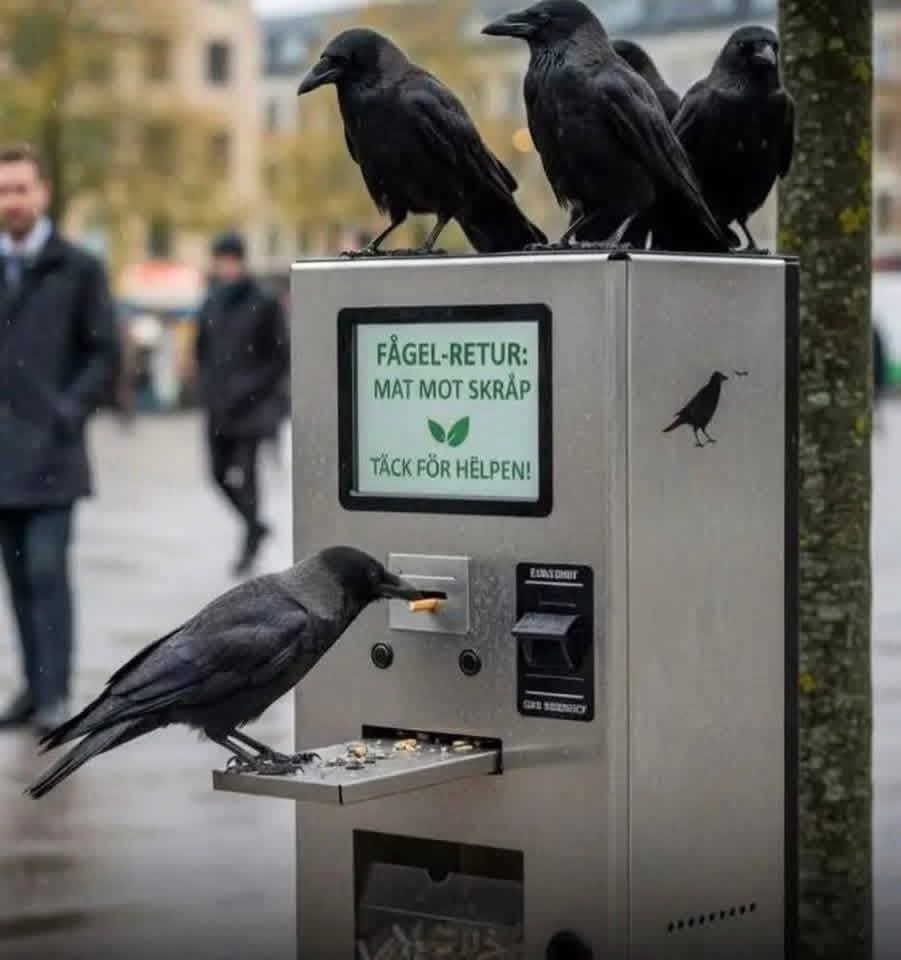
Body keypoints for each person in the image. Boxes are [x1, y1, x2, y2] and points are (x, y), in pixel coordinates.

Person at [0, 143, 119, 734]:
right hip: (0, 456)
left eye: (20, 188)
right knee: (17, 577)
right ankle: (32, 687)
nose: (11, 201)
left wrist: (67, 411)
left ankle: (55, 694)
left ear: (43, 192)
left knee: (47, 571)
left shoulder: (78, 267)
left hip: (52, 455)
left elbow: (105, 352)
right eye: (3, 190)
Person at [195, 231, 289, 576]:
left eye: (231, 260)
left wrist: (249, 389)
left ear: (241, 261)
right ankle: (255, 526)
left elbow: (279, 357)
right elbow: (202, 349)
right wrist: (207, 388)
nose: (225, 267)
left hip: (252, 408)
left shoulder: (263, 301)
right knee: (217, 475)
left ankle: (248, 547)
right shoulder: (211, 300)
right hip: (218, 406)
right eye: (221, 260)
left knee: (248, 479)